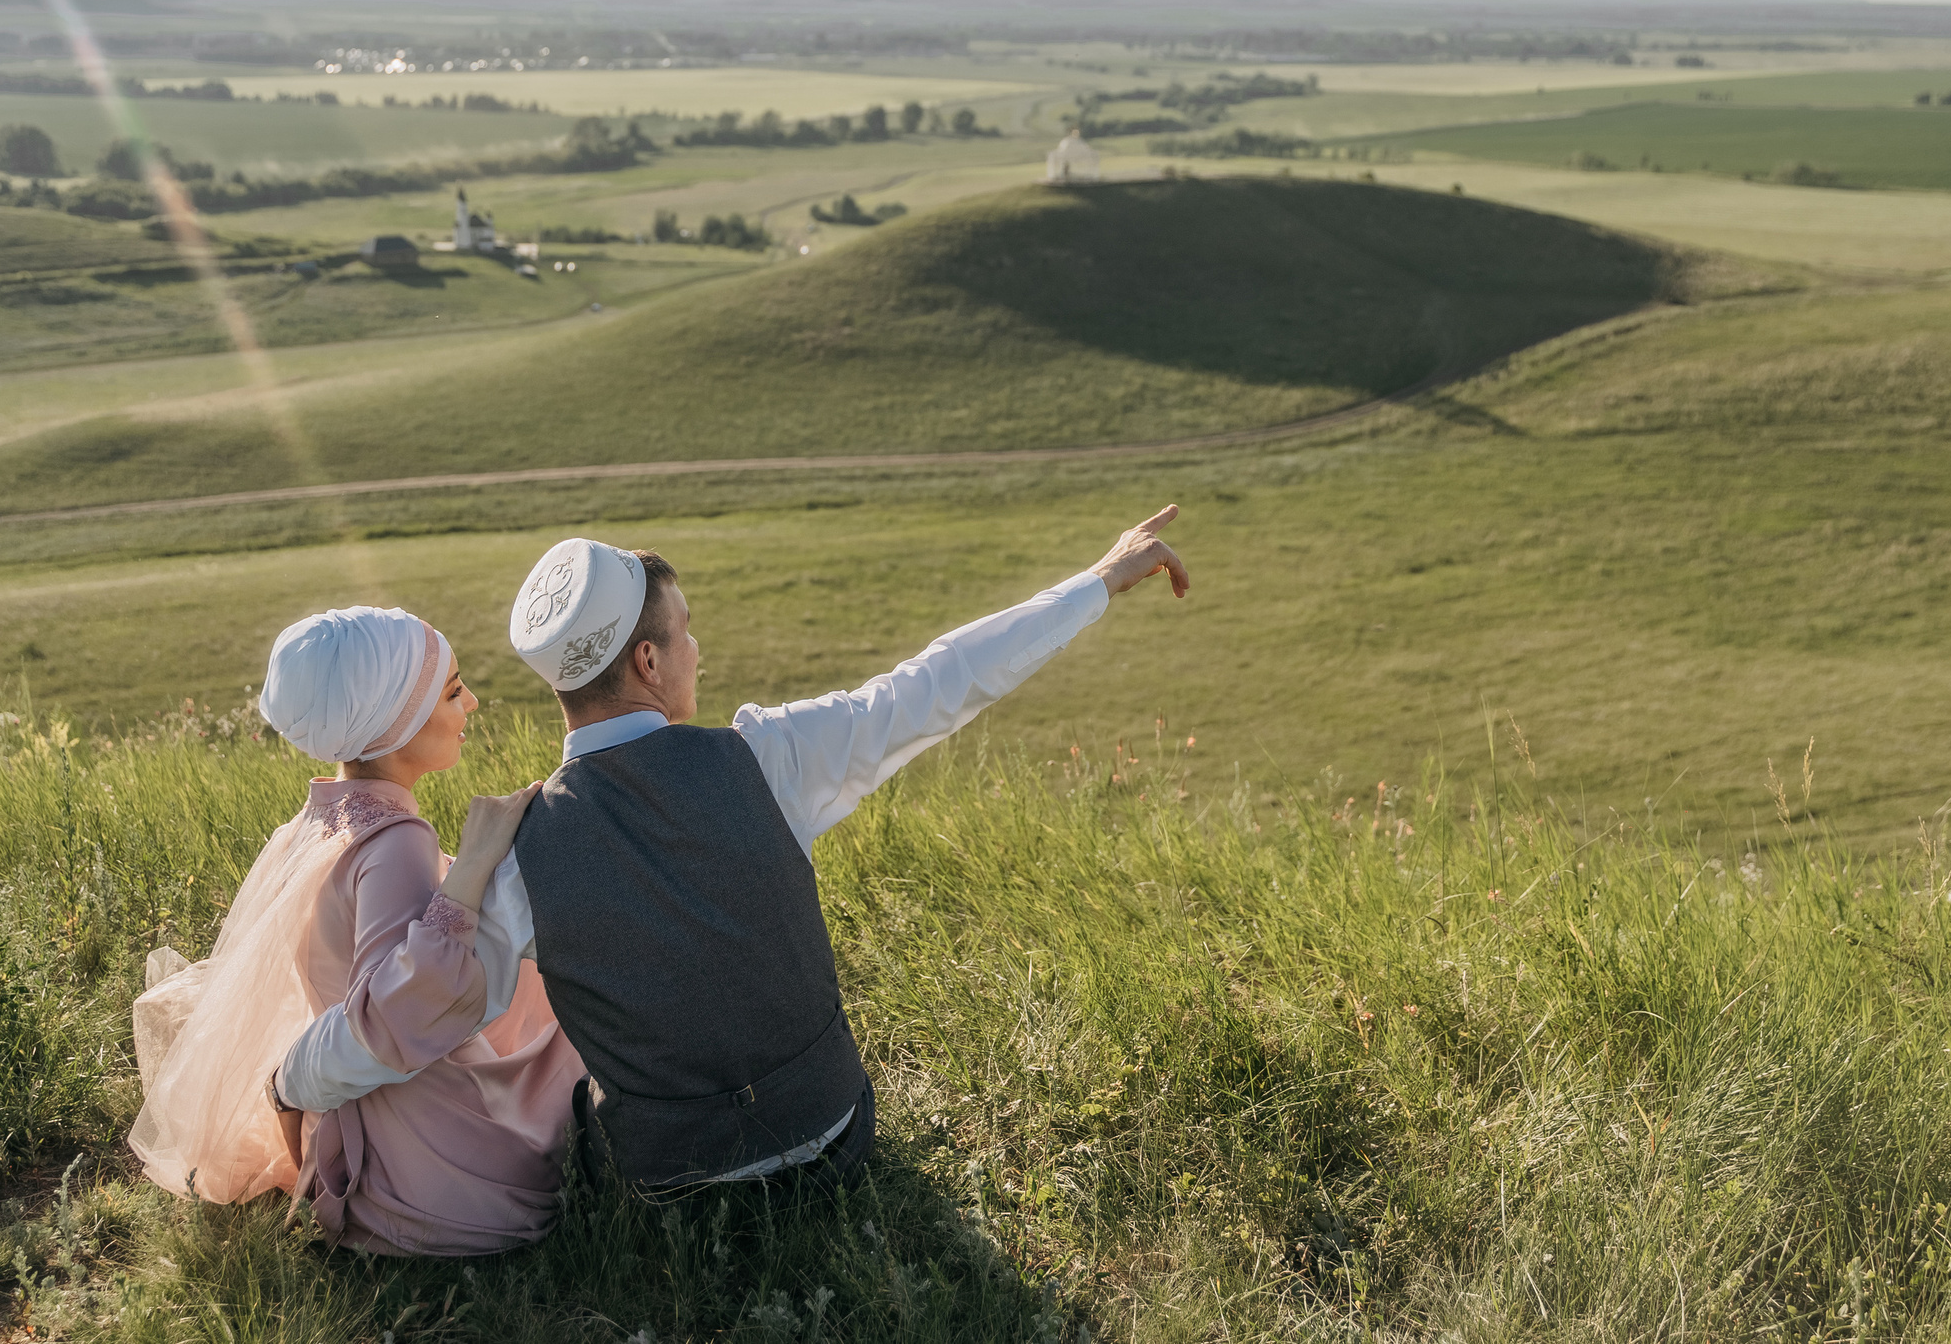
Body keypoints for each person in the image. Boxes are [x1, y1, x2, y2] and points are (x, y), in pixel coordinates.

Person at [275, 507, 1191, 1194]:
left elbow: (393, 1030)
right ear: (647, 662)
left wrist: (290, 1073)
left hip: (674, 1183)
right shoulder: (769, 756)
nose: (696, 650)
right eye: (684, 633)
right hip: (838, 1129)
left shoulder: (520, 859)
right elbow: (936, 682)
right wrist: (1098, 580)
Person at [128, 606, 585, 1254]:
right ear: (394, 723)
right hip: (438, 1168)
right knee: (582, 1022)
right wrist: (476, 864)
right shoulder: (395, 839)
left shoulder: (314, 822)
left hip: (363, 1123)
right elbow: (395, 1010)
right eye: (454, 691)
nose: (473, 703)